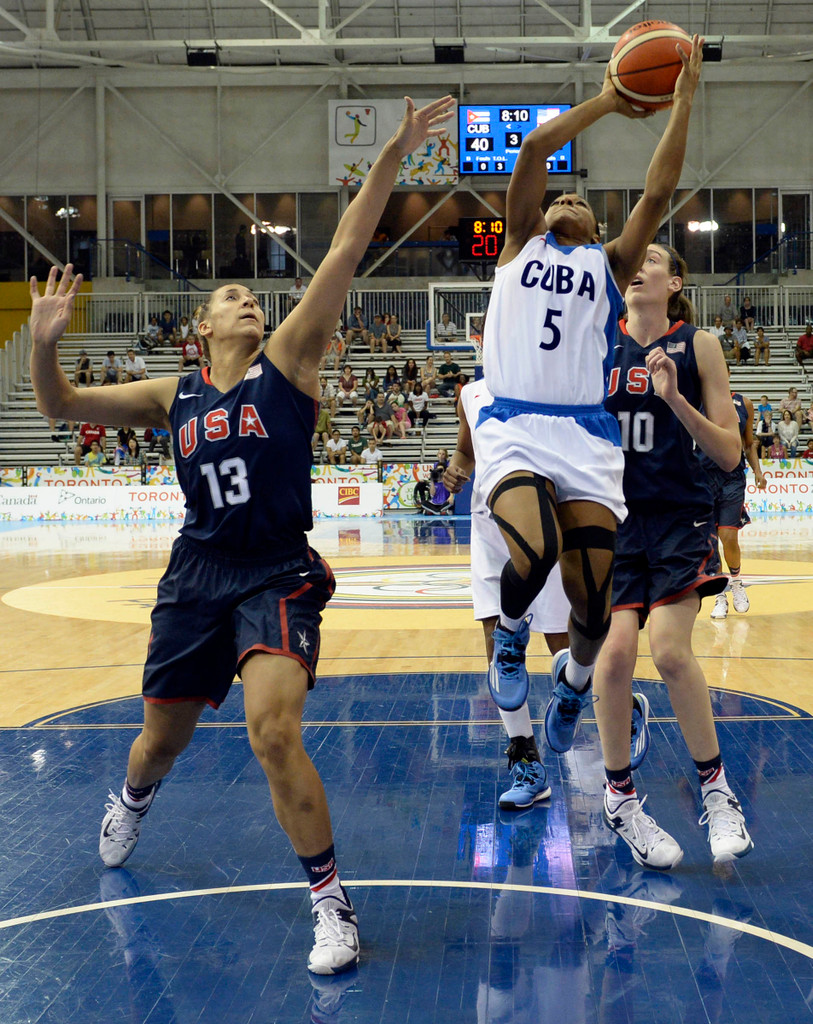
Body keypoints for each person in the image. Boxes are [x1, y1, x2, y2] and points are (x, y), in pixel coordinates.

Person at [29, 92, 454, 976]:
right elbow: (61, 404)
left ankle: (331, 906)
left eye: (252, 295)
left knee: (271, 729)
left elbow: (345, 246)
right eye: (231, 298)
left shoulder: (291, 360)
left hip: (276, 572)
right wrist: (43, 345)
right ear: (203, 330)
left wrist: (398, 154)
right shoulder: (170, 394)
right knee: (161, 740)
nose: (248, 301)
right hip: (196, 575)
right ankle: (134, 798)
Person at [474, 36, 705, 753]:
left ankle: (572, 685)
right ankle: (509, 638)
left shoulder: (609, 266)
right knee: (533, 551)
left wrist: (682, 103)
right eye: (560, 197)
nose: (566, 199)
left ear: (599, 233)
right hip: (515, 424)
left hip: (583, 434)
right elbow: (537, 148)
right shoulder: (518, 243)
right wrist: (612, 97)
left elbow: (659, 192)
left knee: (590, 604)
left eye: (579, 200)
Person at [598, 242, 752, 869]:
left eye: (654, 257)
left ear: (675, 281)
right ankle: (621, 799)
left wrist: (674, 399)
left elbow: (729, 454)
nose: (639, 263)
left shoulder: (700, 345)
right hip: (612, 521)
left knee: (666, 649)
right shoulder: (595, 342)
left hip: (679, 517)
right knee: (612, 659)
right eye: (633, 258)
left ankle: (716, 794)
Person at [704, 368, 767, 621]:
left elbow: (748, 442)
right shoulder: (695, 400)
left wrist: (758, 471)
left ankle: (737, 583)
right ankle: (720, 595)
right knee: (709, 540)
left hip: (732, 476)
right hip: (702, 477)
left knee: (727, 535)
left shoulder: (744, 403)